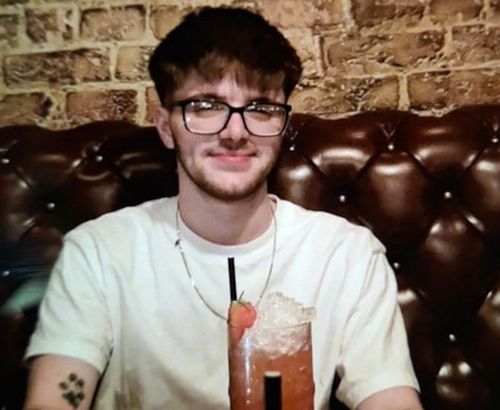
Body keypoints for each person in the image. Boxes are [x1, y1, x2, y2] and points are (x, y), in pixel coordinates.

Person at [22, 6, 423, 410]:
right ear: (165, 127)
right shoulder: (98, 252)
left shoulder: (346, 253)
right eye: (205, 106)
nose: (235, 132)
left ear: (282, 125)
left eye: (260, 108)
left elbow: (390, 399)